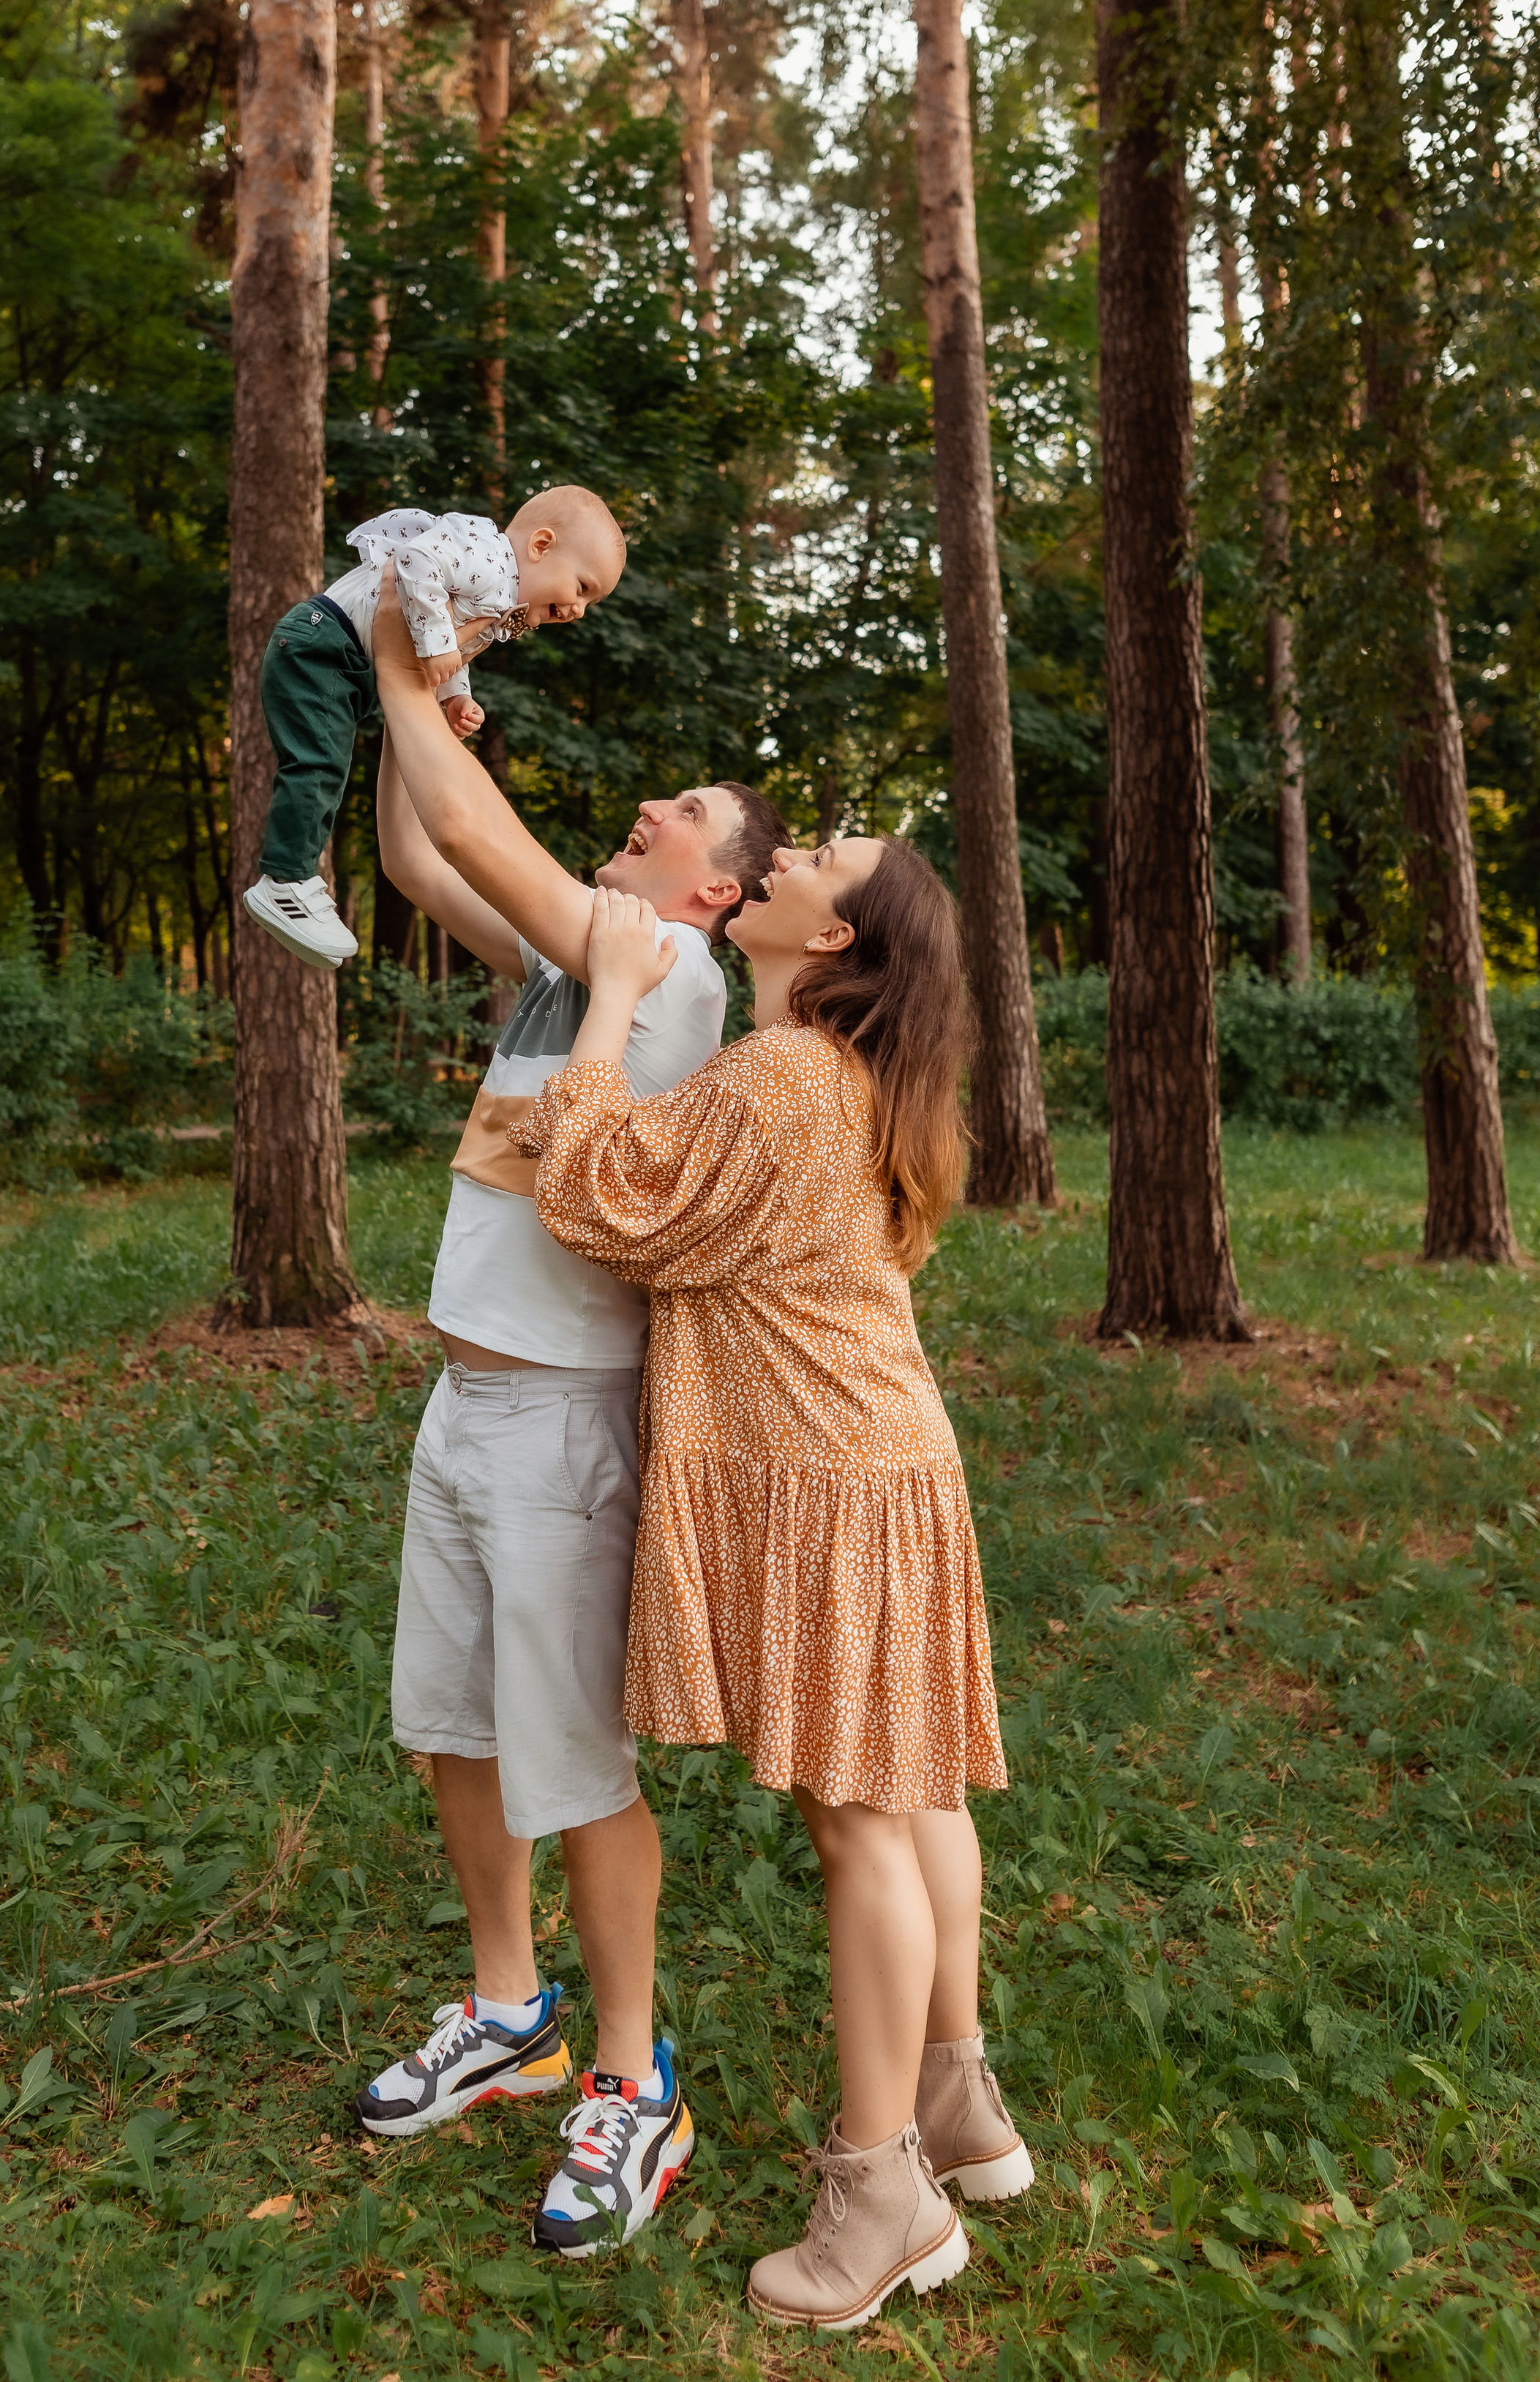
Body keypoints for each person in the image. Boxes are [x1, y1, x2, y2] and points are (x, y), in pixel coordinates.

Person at [507, 850, 1034, 2332]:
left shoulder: (784, 1071)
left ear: (833, 931)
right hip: (884, 1463)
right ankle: (958, 2110)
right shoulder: (856, 1080)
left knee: (856, 1820)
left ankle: (879, 2195)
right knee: (918, 1795)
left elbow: (601, 1196)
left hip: (826, 1481)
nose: (781, 856)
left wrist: (605, 1005)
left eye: (812, 858)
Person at [354, 577, 788, 2258]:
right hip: (463, 1399)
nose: (652, 806)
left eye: (684, 808)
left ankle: (631, 2074)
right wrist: (434, 719)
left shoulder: (667, 972)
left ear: (715, 884)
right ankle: (507, 2012)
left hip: (562, 1423)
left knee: (573, 1762)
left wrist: (401, 653)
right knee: (450, 1729)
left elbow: (472, 819)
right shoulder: (576, 955)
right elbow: (419, 847)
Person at [243, 487, 626, 970]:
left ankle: (294, 875)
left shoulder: (498, 594)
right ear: (541, 546)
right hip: (323, 645)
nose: (579, 611)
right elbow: (416, 560)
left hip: (345, 661)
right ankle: (286, 881)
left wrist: (454, 695)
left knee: (328, 767)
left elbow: (443, 638)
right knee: (318, 766)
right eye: (583, 588)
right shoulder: (488, 556)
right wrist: (440, 645)